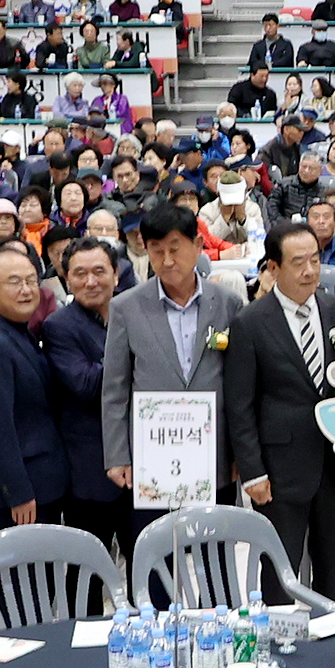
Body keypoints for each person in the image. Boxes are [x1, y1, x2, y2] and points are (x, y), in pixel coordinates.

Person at [224, 221, 335, 602]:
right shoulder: (250, 323)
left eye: (315, 260)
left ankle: (333, 640)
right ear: (272, 267)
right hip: (280, 466)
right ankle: (280, 648)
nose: (310, 271)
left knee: (333, 569)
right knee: (280, 571)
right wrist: (252, 471)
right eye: (298, 262)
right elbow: (239, 405)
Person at [102, 201, 244, 505]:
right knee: (157, 547)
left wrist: (240, 452)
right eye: (156, 250)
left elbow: (240, 387)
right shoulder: (126, 307)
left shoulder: (228, 304)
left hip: (215, 450)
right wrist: (117, 455)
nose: (166, 260)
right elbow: (114, 389)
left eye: (174, 248)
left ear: (198, 246)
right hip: (152, 456)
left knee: (217, 546)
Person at [0, 242, 73, 548]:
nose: (26, 290)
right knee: (25, 590)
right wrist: (19, 492)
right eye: (14, 282)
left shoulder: (17, 329)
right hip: (19, 496)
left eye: (30, 281)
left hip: (43, 482)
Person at [43, 237, 125, 550]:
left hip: (143, 465)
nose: (90, 282)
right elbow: (86, 385)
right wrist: (128, 351)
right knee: (87, 575)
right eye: (79, 274)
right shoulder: (58, 327)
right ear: (66, 279)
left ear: (116, 273)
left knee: (153, 572)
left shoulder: (134, 312)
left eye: (99, 271)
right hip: (90, 472)